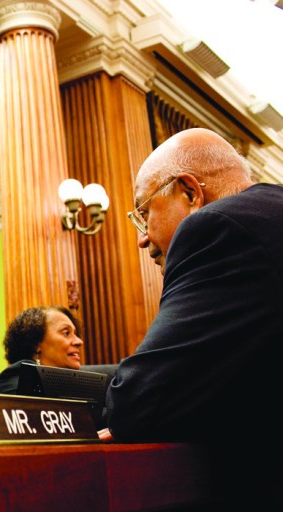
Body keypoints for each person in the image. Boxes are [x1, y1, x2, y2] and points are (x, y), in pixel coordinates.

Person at [102, 128, 283, 506]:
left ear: (190, 192)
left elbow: (140, 404)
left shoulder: (217, 227)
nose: (142, 238)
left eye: (144, 213)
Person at [0, 305, 83, 443]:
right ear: (36, 344)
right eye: (66, 333)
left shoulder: (71, 385)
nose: (78, 341)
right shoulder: (16, 380)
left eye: (75, 333)